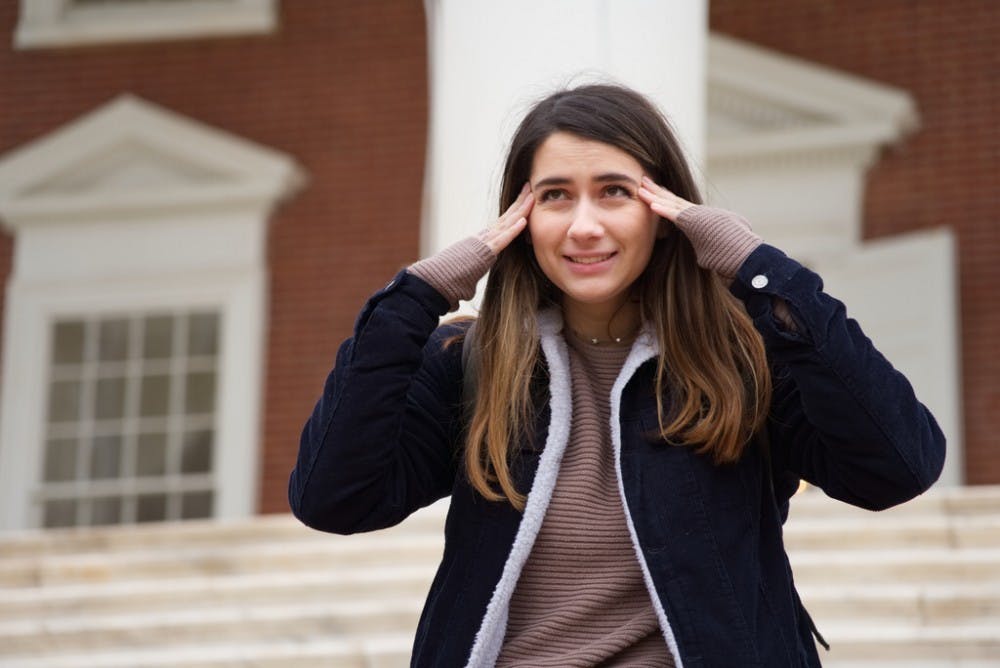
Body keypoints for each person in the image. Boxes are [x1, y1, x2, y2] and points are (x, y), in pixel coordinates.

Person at [289, 83, 945, 667]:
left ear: (664, 216)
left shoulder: (746, 357)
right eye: (554, 197)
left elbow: (897, 467)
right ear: (521, 222)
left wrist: (764, 274)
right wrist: (417, 297)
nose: (584, 226)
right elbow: (333, 497)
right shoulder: (471, 363)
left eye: (614, 192)